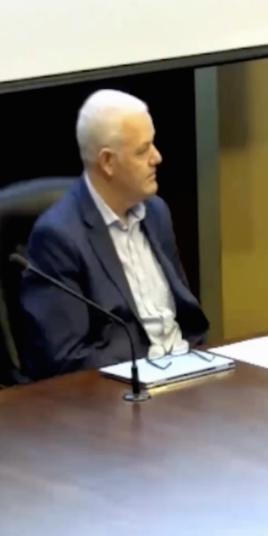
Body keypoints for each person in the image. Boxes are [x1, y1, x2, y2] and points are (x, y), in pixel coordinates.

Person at [19, 90, 208, 380]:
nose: (157, 157)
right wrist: (150, 362)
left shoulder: (156, 213)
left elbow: (183, 317)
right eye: (143, 150)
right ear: (107, 162)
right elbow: (63, 360)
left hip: (188, 369)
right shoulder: (58, 237)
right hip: (124, 390)